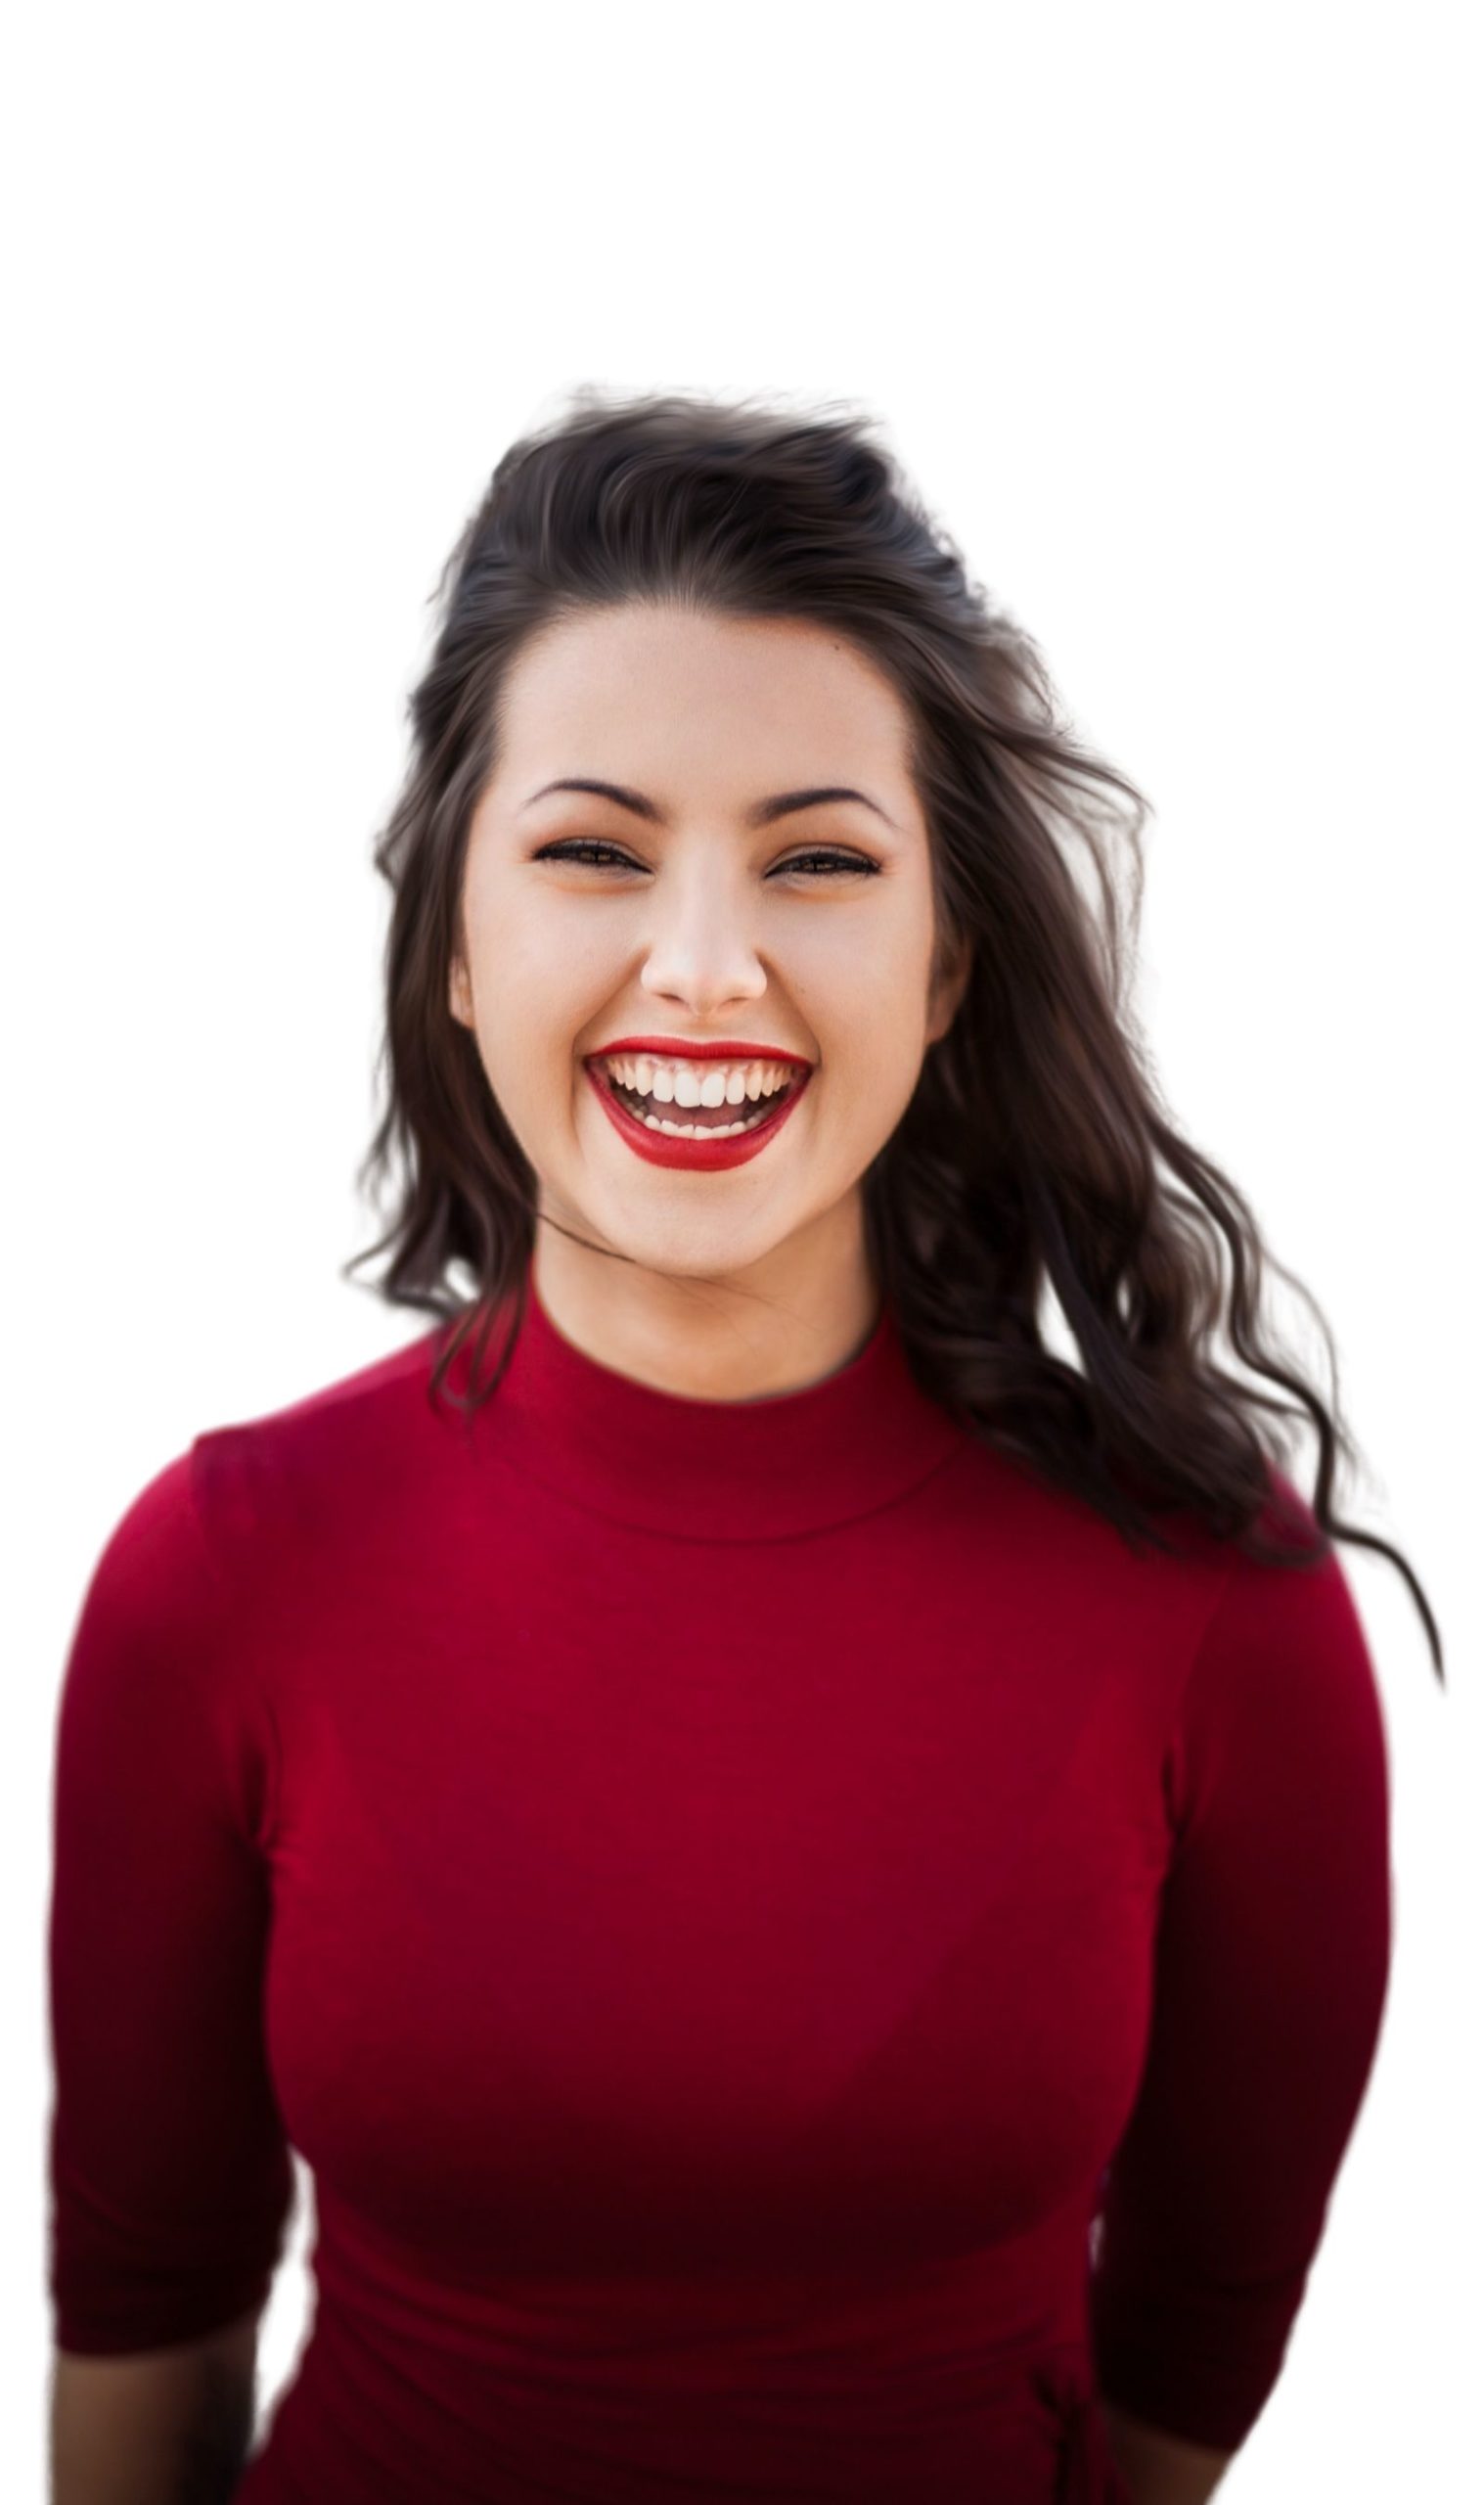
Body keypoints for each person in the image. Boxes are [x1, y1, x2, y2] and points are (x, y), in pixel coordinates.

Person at [46, 388, 1442, 2505]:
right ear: (450, 939)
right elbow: (144, 2340)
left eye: (819, 860)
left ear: (949, 953)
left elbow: (1192, 2357)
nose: (705, 967)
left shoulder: (1214, 1598)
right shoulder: (218, 1568)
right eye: (594, 851)